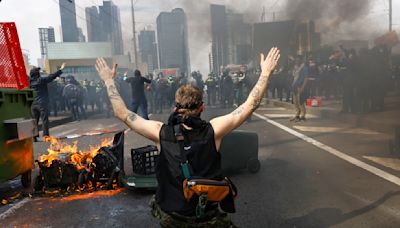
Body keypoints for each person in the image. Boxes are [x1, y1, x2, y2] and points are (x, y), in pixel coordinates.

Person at [95, 47, 280, 227]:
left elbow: (122, 113)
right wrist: (265, 73)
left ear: (176, 108)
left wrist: (108, 80)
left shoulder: (161, 132)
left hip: (173, 216)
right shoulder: (214, 130)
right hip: (208, 217)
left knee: (157, 203)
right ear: (202, 108)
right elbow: (250, 105)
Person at [29, 63, 66, 140]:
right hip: (42, 103)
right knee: (44, 120)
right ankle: (45, 136)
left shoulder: (29, 82)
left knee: (34, 121)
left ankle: (34, 137)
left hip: (33, 104)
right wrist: (61, 69)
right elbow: (52, 77)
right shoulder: (41, 80)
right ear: (37, 74)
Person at [290, 56, 309, 122]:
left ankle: (303, 116)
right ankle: (297, 115)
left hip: (300, 86)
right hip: (294, 86)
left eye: (298, 60)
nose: (296, 61)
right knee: (295, 102)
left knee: (300, 102)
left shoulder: (304, 68)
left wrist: (302, 87)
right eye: (296, 60)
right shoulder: (295, 68)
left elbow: (306, 78)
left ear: (301, 61)